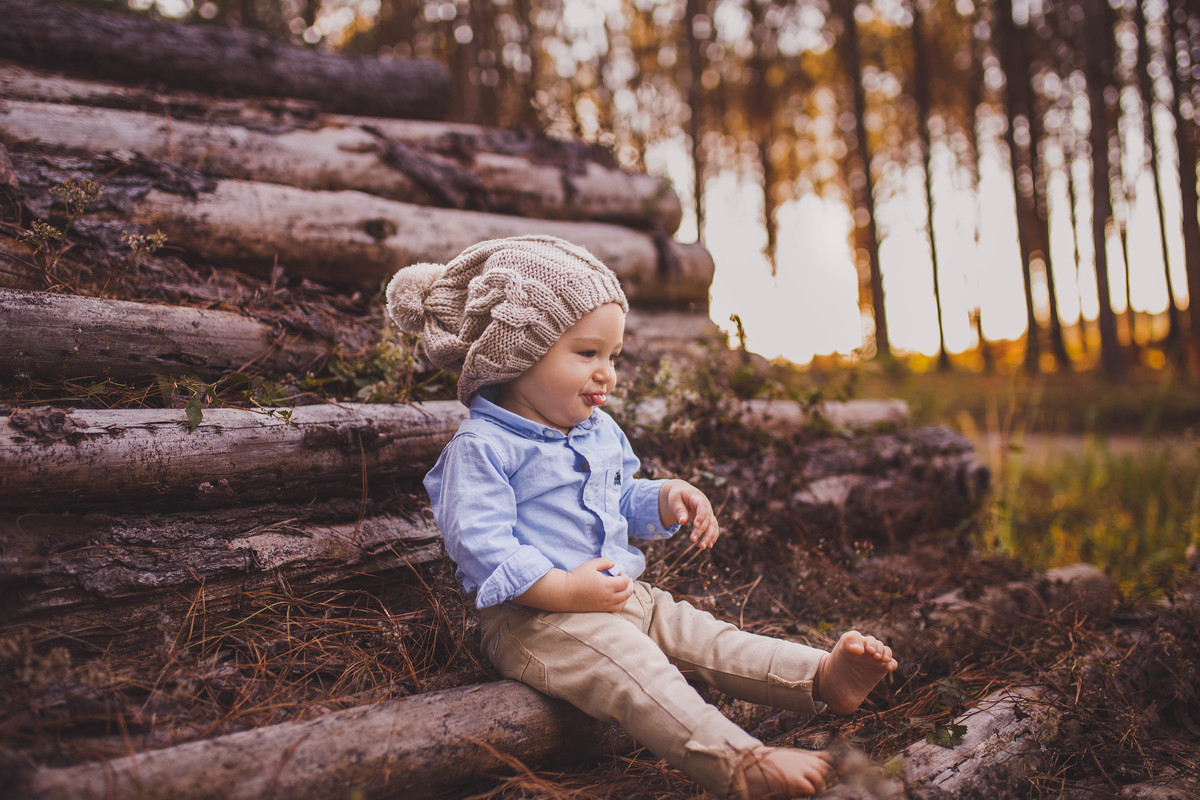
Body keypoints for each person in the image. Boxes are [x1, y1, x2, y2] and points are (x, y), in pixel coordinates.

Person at [386, 235, 897, 799]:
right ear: (517, 357)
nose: (607, 373)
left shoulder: (596, 429)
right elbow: (481, 544)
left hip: (619, 595)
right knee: (635, 669)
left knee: (706, 635)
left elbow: (618, 495)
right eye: (587, 353)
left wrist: (666, 496)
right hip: (536, 621)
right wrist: (564, 590)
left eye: (613, 356)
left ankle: (819, 676)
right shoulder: (482, 447)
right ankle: (736, 763)